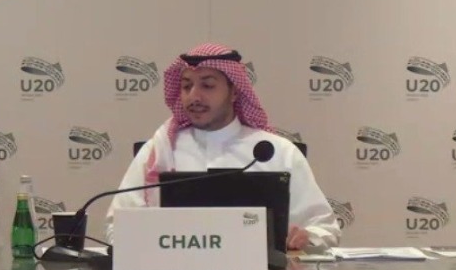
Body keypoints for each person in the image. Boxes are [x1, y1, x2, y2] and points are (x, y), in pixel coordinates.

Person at [105, 42, 341, 249]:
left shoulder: (275, 152)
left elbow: (325, 228)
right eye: (186, 86)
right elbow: (118, 226)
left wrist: (306, 237)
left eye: (207, 86)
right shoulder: (159, 151)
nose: (194, 96)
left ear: (234, 92)